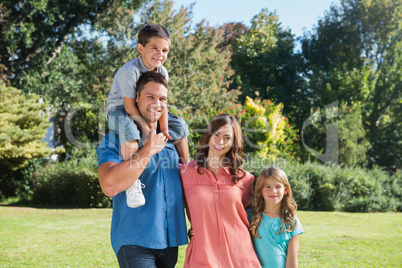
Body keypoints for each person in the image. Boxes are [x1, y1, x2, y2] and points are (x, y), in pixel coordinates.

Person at [97, 72, 188, 268]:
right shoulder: (116, 139)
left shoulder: (172, 142)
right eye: (150, 97)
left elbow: (188, 182)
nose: (157, 103)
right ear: (136, 98)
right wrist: (147, 150)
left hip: (170, 240)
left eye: (162, 99)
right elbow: (109, 185)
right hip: (134, 240)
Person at [106, 24, 189, 208]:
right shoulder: (130, 71)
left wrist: (165, 129)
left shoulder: (162, 71)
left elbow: (163, 103)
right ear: (140, 48)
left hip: (148, 107)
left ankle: (186, 170)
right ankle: (133, 183)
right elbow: (129, 105)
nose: (160, 54)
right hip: (120, 108)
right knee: (129, 131)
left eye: (165, 50)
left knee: (181, 125)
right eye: (155, 48)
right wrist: (146, 128)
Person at [180, 114, 261, 268]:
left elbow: (253, 216)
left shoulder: (245, 178)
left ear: (233, 143)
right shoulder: (185, 172)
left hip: (240, 255)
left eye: (227, 137)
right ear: (209, 135)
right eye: (216, 134)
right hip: (203, 254)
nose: (220, 141)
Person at [250, 166, 304, 268]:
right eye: (267, 187)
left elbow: (292, 261)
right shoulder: (252, 217)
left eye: (278, 186)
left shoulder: (292, 221)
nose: (273, 191)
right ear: (260, 190)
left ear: (286, 189)